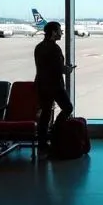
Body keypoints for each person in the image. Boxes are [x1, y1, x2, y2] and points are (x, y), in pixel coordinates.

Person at [34, 21, 75, 152]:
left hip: (41, 84)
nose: (61, 33)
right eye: (59, 30)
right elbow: (59, 69)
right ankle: (55, 132)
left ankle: (42, 143)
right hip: (54, 85)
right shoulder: (55, 48)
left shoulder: (39, 47)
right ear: (53, 32)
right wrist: (68, 69)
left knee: (45, 114)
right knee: (68, 108)